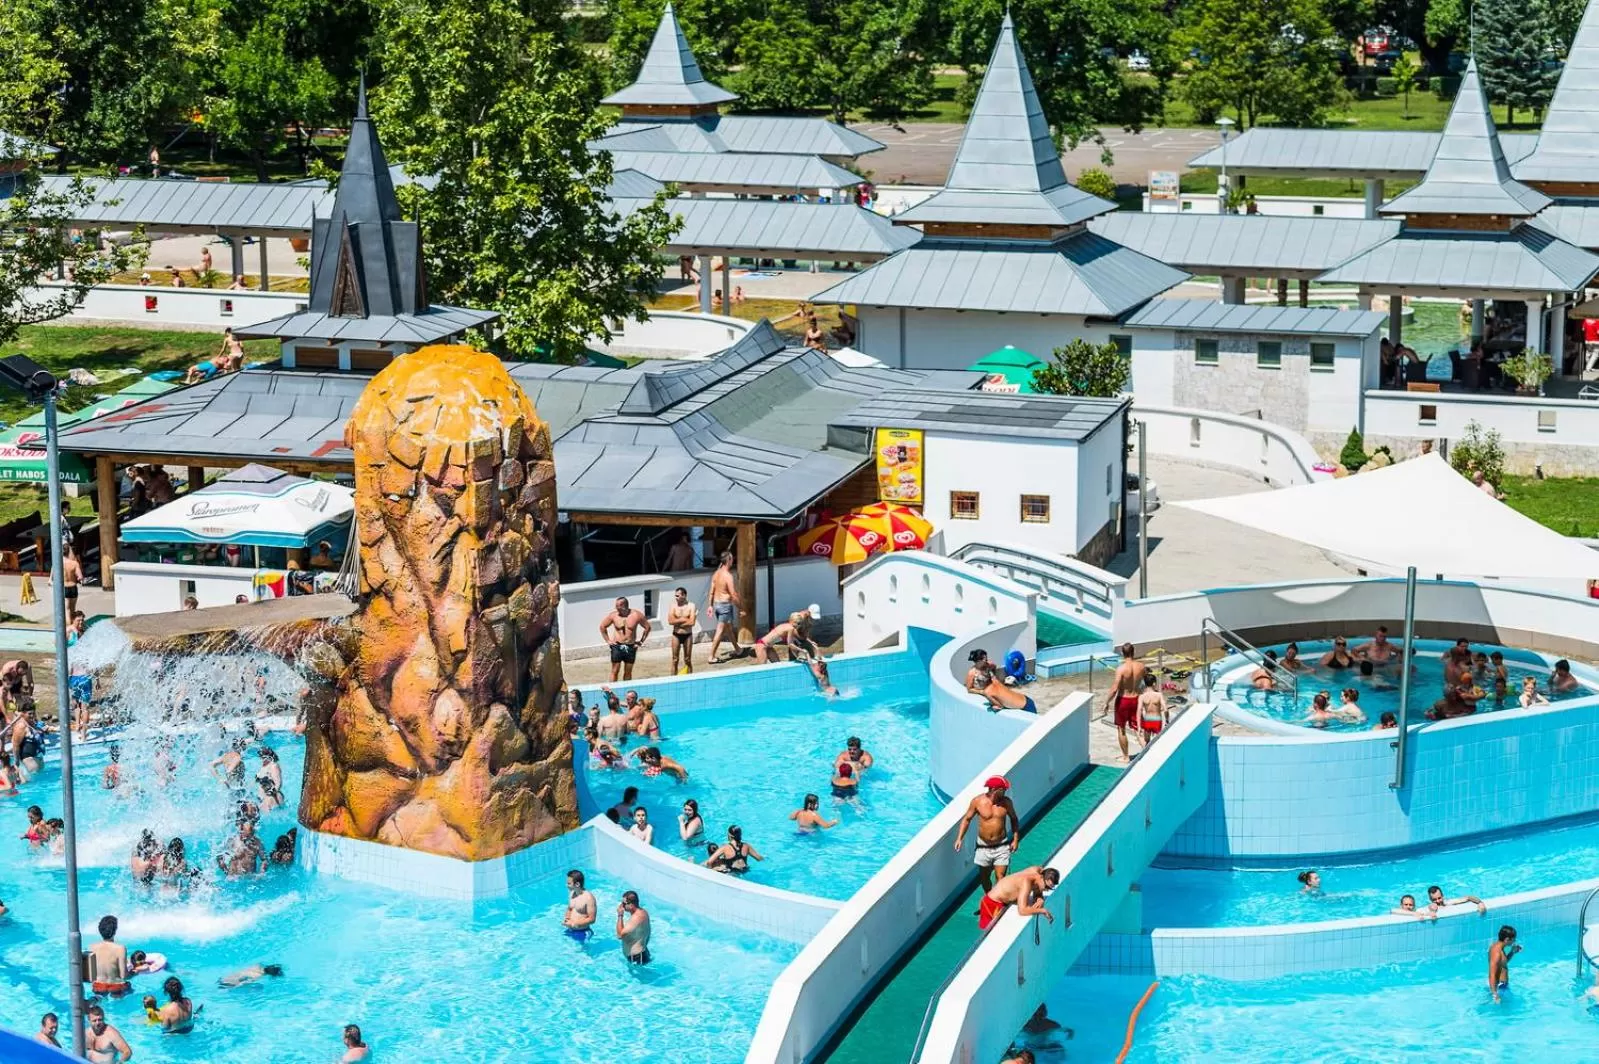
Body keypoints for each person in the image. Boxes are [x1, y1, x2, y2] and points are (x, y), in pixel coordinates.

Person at [953, 776, 1021, 892]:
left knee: (1000, 877)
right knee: (984, 878)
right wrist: (959, 838)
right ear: (994, 789)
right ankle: (989, 897)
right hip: (983, 847)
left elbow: (1014, 819)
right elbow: (967, 819)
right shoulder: (977, 802)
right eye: (1003, 789)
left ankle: (997, 900)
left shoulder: (1006, 803)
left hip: (1001, 846)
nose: (1005, 791)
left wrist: (1015, 839)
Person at [1103, 643, 1148, 762]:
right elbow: (1145, 683)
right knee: (1138, 728)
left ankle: (1126, 757)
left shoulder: (1121, 669)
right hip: (1136, 699)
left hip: (1123, 700)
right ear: (1133, 652)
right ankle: (1147, 752)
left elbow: (1114, 689)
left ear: (1123, 653)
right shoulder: (1141, 666)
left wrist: (1107, 702)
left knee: (1121, 729)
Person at [978, 866, 1060, 931]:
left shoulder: (1038, 871)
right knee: (987, 933)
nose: (1047, 890)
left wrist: (1040, 898)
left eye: (1050, 888)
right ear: (1042, 877)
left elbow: (1037, 891)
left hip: (1003, 901)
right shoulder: (1026, 882)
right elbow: (1022, 911)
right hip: (991, 904)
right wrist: (1043, 911)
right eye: (1046, 887)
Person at [599, 596, 650, 682]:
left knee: (628, 672)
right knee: (615, 670)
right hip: (617, 646)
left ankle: (626, 688)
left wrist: (641, 641)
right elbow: (602, 626)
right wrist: (608, 640)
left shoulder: (636, 615)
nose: (616, 608)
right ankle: (612, 688)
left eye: (617, 606)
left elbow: (647, 627)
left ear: (624, 606)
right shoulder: (614, 615)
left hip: (630, 646)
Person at [706, 552, 742, 663]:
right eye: (732, 559)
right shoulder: (728, 576)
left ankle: (738, 649)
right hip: (724, 606)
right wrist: (741, 608)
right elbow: (733, 594)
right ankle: (711, 656)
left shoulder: (716, 573)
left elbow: (711, 591)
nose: (733, 561)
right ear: (728, 561)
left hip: (717, 605)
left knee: (728, 628)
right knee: (720, 631)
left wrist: (710, 606)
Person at [88, 914, 132, 997]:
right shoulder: (120, 948)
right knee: (129, 987)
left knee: (100, 999)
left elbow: (90, 975)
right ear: (115, 931)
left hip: (98, 987)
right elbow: (124, 976)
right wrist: (135, 971)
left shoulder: (92, 947)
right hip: (117, 987)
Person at [615, 890, 652, 964]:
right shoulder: (643, 912)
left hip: (637, 958)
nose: (621, 906)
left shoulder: (636, 918)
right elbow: (648, 934)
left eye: (624, 903)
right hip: (642, 954)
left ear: (631, 905)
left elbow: (619, 935)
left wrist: (620, 915)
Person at [666, 586, 697, 674]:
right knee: (675, 659)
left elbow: (692, 622)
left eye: (678, 596)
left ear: (684, 595)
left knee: (687, 659)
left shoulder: (691, 606)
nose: (676, 598)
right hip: (676, 635)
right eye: (675, 596)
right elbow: (670, 621)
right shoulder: (673, 606)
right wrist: (684, 619)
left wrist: (677, 622)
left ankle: (690, 678)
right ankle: (673, 679)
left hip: (688, 635)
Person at [1489, 925, 1521, 1004]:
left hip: (1501, 986)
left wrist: (1512, 952)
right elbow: (1492, 974)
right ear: (1507, 939)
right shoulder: (1497, 952)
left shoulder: (1498, 947)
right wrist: (1495, 994)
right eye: (1513, 939)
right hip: (1500, 987)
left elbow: (1503, 963)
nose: (1514, 941)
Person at [564, 869, 597, 941]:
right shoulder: (572, 893)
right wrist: (567, 919)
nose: (566, 885)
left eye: (569, 883)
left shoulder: (589, 898)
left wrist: (574, 924)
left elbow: (592, 919)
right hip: (570, 929)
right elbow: (569, 908)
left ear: (577, 884)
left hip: (583, 932)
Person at [1137, 672, 1167, 746]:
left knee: (1147, 742)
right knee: (1158, 742)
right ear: (1154, 683)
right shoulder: (1159, 695)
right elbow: (1165, 709)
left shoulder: (1142, 696)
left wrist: (1139, 726)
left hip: (1147, 720)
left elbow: (1139, 711)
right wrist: (1167, 719)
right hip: (1157, 720)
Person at [218, 963, 284, 989]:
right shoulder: (257, 976)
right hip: (225, 984)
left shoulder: (257, 965)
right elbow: (242, 980)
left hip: (223, 978)